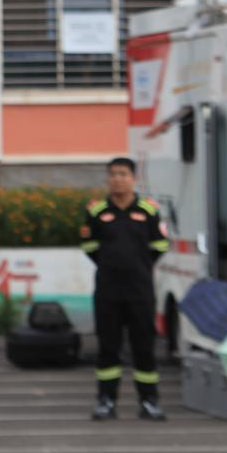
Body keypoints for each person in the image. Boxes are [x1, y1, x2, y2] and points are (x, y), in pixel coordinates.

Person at [80, 157, 170, 421]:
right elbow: (89, 246)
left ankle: (149, 402)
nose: (117, 179)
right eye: (113, 174)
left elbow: (160, 246)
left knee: (144, 347)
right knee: (108, 347)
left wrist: (137, 266)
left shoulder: (148, 210)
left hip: (140, 291)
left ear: (133, 178)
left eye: (123, 174)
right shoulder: (97, 211)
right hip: (108, 292)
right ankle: (106, 401)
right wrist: (111, 265)